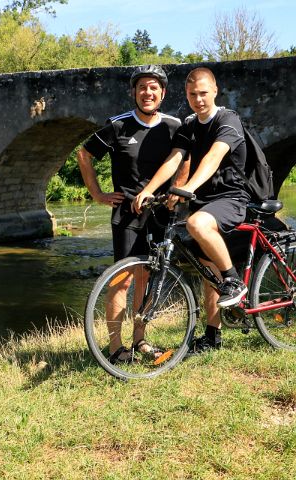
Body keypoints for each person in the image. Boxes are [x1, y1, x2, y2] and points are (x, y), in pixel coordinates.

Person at [133, 66, 250, 355]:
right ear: (186, 95)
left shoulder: (228, 120)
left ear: (215, 92)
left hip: (232, 197)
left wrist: (188, 187)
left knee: (197, 224)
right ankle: (213, 335)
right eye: (192, 94)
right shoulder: (188, 125)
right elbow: (175, 159)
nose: (198, 99)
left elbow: (214, 157)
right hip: (205, 200)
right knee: (206, 269)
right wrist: (151, 189)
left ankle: (234, 281)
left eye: (203, 93)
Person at [77, 65, 186, 363]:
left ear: (162, 93)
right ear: (134, 93)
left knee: (146, 277)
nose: (147, 93)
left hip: (160, 212)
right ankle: (115, 347)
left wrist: (177, 190)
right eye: (142, 88)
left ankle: (140, 340)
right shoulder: (118, 125)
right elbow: (84, 154)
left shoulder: (174, 126)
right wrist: (97, 194)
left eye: (154, 88)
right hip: (127, 212)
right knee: (121, 280)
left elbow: (185, 158)